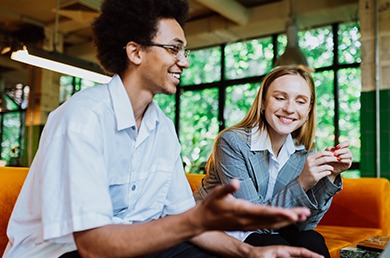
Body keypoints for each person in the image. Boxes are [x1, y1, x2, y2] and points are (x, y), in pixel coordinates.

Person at [2, 1, 325, 258]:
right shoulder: (82, 118)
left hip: (140, 247)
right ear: (135, 52)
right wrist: (193, 221)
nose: (183, 61)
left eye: (184, 52)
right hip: (63, 253)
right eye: (174, 49)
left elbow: (186, 219)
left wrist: (250, 253)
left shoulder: (162, 129)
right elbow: (94, 247)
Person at [194, 65, 353, 258]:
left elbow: (304, 224)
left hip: (267, 229)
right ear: (262, 102)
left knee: (312, 241)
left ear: (309, 109)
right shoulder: (232, 142)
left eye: (301, 101)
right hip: (221, 230)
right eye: (280, 98)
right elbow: (253, 221)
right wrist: (302, 182)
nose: (289, 109)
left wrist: (331, 175)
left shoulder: (304, 151)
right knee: (273, 245)